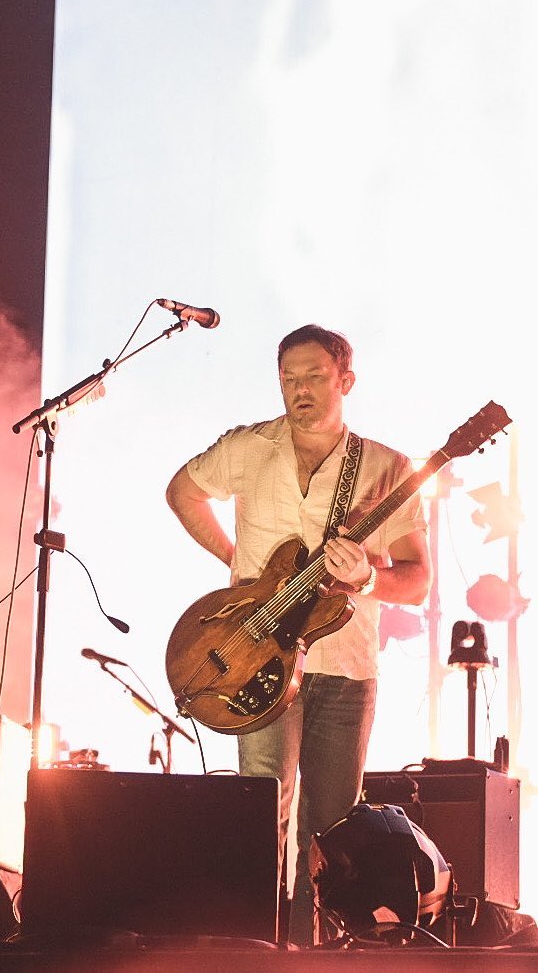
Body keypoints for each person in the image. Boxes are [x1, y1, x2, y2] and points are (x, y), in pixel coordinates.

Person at [165, 324, 430, 946]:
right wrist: (240, 578)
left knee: (332, 829)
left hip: (345, 662)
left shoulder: (387, 467)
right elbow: (182, 491)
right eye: (288, 378)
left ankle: (320, 948)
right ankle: (259, 945)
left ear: (346, 381)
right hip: (258, 660)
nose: (299, 389)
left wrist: (367, 578)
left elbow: (417, 580)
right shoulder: (250, 447)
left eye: (313, 376)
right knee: (263, 810)